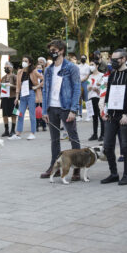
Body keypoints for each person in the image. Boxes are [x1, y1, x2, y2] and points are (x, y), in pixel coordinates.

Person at [40, 40, 82, 180]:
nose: (52, 52)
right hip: (52, 107)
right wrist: (45, 110)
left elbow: (77, 89)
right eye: (51, 49)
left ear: (62, 50)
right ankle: (55, 167)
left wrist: (73, 110)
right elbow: (45, 89)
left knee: (73, 137)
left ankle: (77, 168)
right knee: (54, 140)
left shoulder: (71, 67)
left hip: (66, 107)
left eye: (55, 49)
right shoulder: (49, 70)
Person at [100, 49, 127, 186]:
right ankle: (114, 173)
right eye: (112, 59)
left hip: (125, 115)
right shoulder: (112, 75)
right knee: (107, 146)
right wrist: (106, 110)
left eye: (116, 59)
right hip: (112, 114)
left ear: (123, 59)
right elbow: (109, 94)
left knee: (125, 145)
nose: (113, 62)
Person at [9, 55, 43, 140]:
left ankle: (32, 133)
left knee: (32, 114)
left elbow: (44, 78)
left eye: (26, 61)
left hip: (31, 94)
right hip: (22, 95)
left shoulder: (34, 71)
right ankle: (18, 133)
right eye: (23, 60)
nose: (23, 62)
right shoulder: (20, 71)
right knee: (20, 114)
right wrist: (17, 97)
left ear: (30, 63)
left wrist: (37, 86)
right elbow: (18, 85)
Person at [87, 60, 104, 141]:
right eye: (90, 64)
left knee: (101, 116)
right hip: (91, 97)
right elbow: (87, 87)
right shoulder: (90, 76)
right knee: (94, 117)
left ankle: (102, 134)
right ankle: (95, 134)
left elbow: (104, 88)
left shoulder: (102, 75)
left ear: (97, 65)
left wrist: (98, 90)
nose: (91, 66)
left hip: (99, 98)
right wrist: (89, 88)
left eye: (92, 64)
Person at [0, 61, 17, 137]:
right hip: (4, 98)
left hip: (12, 98)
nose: (6, 68)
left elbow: (18, 87)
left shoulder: (14, 76)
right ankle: (6, 130)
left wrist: (11, 85)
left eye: (7, 67)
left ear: (11, 68)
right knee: (4, 115)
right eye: (5, 67)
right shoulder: (3, 77)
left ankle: (13, 130)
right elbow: (1, 87)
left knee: (14, 114)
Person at [77, 54, 91, 122]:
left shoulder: (88, 66)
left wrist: (81, 80)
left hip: (85, 83)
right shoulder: (78, 66)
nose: (83, 59)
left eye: (84, 58)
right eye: (82, 58)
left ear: (86, 59)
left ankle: (89, 115)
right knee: (79, 100)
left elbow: (87, 75)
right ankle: (80, 115)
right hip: (78, 83)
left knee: (87, 99)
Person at [35, 60, 47, 132]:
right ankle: (36, 126)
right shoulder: (34, 76)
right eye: (37, 68)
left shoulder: (44, 76)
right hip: (36, 95)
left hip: (43, 95)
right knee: (36, 111)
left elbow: (44, 83)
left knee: (43, 110)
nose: (39, 69)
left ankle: (44, 125)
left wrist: (38, 86)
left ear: (42, 69)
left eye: (40, 68)